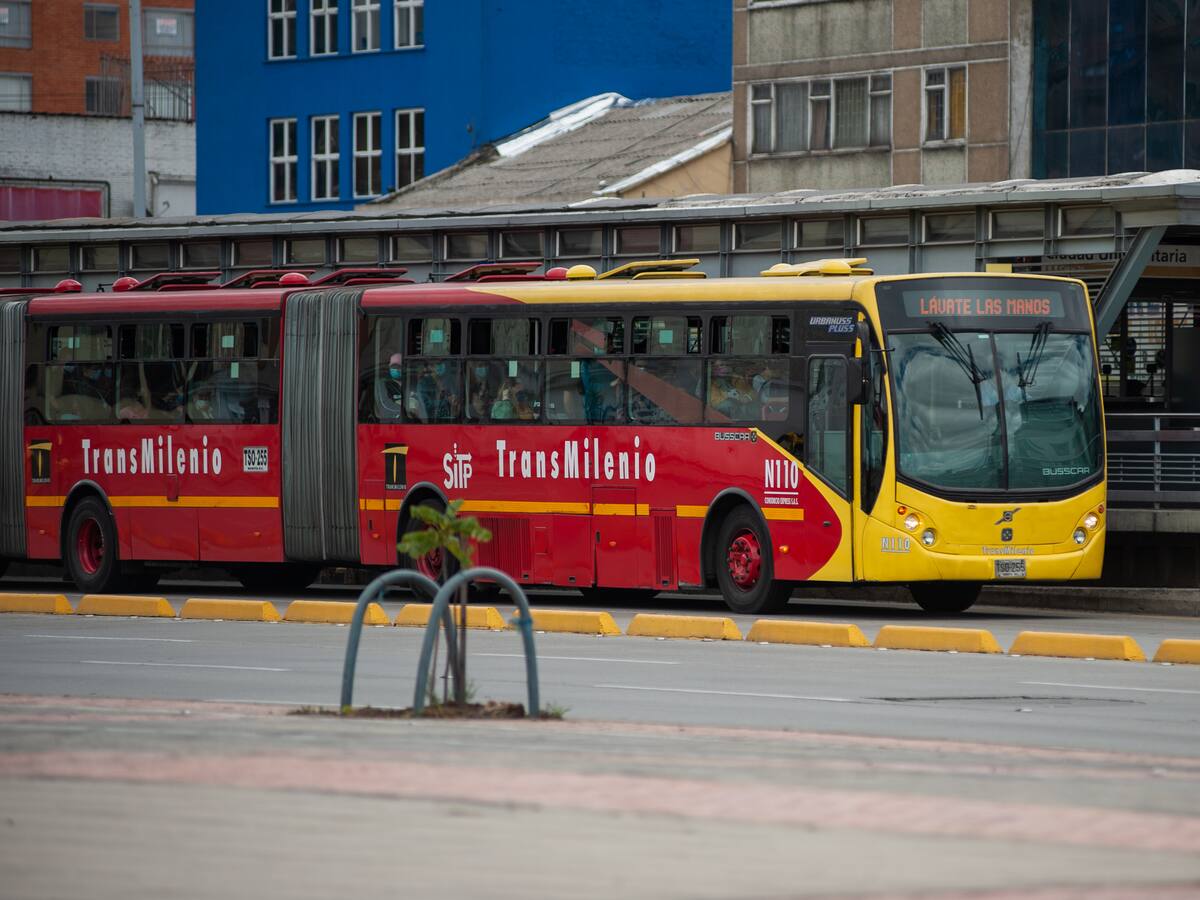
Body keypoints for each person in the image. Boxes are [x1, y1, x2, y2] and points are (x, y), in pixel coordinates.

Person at [376, 352, 405, 419]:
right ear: (389, 366)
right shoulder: (383, 384)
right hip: (390, 424)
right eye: (394, 366)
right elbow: (385, 405)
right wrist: (408, 411)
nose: (397, 369)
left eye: (400, 366)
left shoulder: (410, 383)